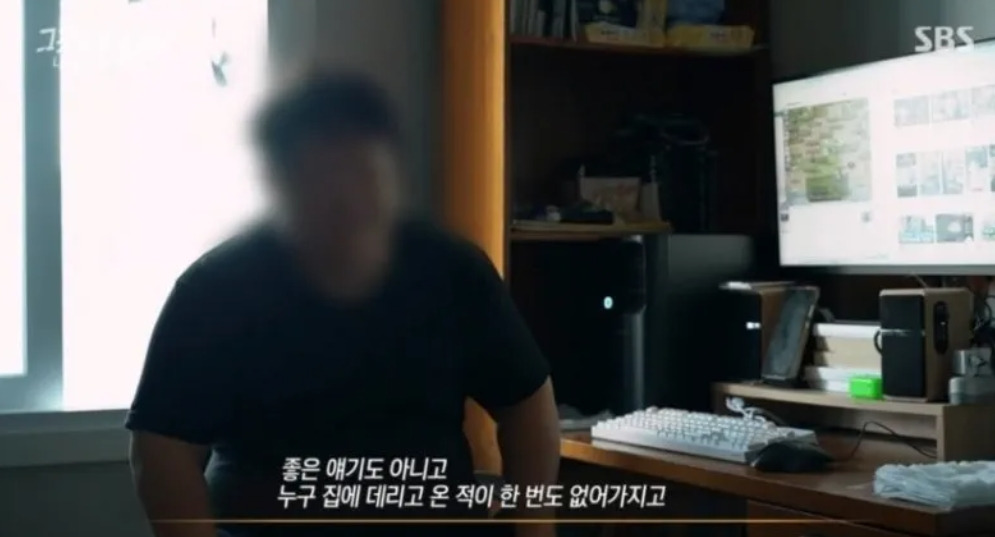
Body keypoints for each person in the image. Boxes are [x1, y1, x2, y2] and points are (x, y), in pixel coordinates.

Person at [126, 70, 560, 537]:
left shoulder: (453, 271)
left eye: (363, 173)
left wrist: (532, 525)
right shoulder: (214, 290)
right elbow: (162, 447)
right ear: (277, 181)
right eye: (321, 178)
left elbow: (527, 406)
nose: (346, 200)